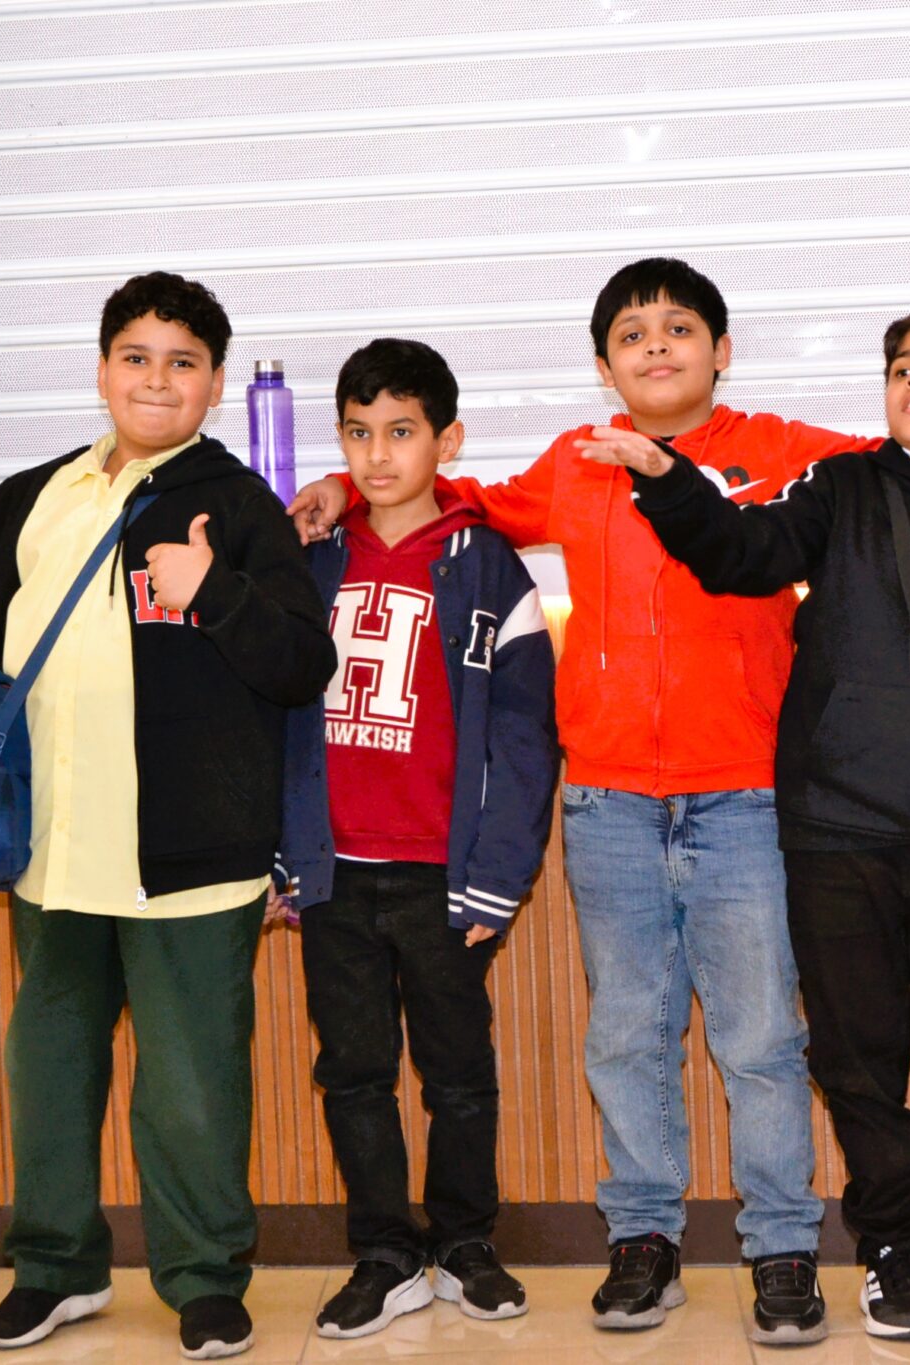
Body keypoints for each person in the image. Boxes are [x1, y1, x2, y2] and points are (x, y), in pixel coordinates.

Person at [285, 258, 910, 1345]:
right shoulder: (578, 458)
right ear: (604, 367)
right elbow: (461, 498)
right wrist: (337, 483)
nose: (655, 346)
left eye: (678, 328)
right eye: (631, 335)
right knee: (627, 1037)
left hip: (747, 796)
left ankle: (781, 1247)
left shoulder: (787, 451)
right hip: (607, 800)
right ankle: (643, 1241)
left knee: (762, 1040)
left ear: (720, 350)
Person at [580, 302, 910, 1340]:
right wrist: (665, 478)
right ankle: (891, 1253)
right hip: (833, 836)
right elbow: (739, 553)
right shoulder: (843, 485)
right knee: (859, 1064)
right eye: (902, 365)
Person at [0, 272, 335, 1359]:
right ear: (102, 368)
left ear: (214, 381)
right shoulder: (32, 496)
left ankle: (205, 1281)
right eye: (136, 357)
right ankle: (54, 1269)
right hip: (52, 852)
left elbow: (301, 663)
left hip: (190, 859)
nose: (156, 380)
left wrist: (214, 590)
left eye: (182, 362)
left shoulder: (237, 504)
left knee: (192, 1089)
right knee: (49, 1072)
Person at [272, 338, 556, 1339]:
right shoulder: (311, 558)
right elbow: (269, 711)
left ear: (448, 439)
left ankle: (465, 1242)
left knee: (457, 1071)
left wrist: (500, 873)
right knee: (352, 1070)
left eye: (401, 432)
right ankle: (386, 1251)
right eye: (358, 433)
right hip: (335, 873)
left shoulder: (488, 567)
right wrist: (283, 852)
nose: (378, 455)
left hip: (444, 873)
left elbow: (526, 737)